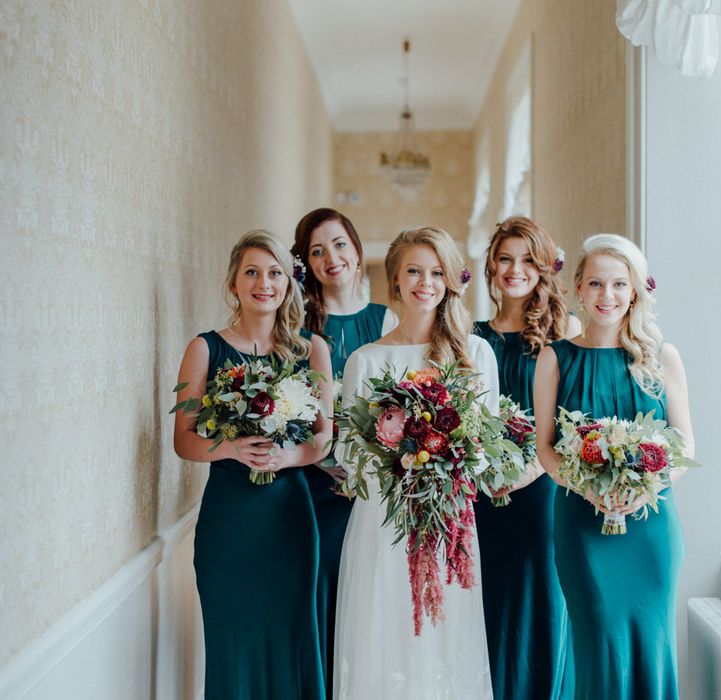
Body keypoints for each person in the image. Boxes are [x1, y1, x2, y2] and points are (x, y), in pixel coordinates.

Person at [334, 226, 498, 700]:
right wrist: (401, 464)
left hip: (447, 520)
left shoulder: (475, 354)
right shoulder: (365, 361)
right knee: (385, 635)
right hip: (383, 522)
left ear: (450, 279)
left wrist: (441, 465)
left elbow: (482, 446)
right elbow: (349, 450)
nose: (425, 282)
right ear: (396, 280)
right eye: (413, 271)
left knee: (446, 641)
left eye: (435, 272)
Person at [174, 229, 333, 700]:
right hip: (229, 520)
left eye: (274, 273)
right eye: (251, 272)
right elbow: (183, 440)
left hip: (290, 518)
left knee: (292, 638)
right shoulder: (204, 349)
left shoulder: (311, 350)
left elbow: (325, 436)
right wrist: (229, 448)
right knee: (232, 642)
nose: (263, 282)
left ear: (287, 284)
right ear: (234, 283)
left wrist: (290, 456)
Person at [534, 233, 694, 700]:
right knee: (599, 643)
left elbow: (683, 442)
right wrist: (588, 489)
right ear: (579, 289)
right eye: (597, 284)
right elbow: (546, 448)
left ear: (636, 291)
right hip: (583, 526)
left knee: (652, 644)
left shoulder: (661, 356)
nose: (608, 296)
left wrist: (646, 490)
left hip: (651, 528)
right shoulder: (555, 358)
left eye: (619, 285)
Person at [292, 208, 397, 697]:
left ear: (356, 249)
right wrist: (324, 456)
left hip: (373, 485)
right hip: (313, 485)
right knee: (320, 591)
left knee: (369, 599)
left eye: (338, 244)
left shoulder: (387, 320)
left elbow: (400, 401)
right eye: (317, 251)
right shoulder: (297, 326)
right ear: (307, 265)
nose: (330, 258)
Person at [473, 216, 579, 700]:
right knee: (486, 607)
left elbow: (572, 422)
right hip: (479, 497)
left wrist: (526, 469)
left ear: (544, 268)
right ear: (491, 266)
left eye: (527, 260)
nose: (515, 270)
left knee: (539, 607)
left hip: (540, 494)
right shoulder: (469, 335)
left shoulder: (565, 333)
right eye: (505, 258)